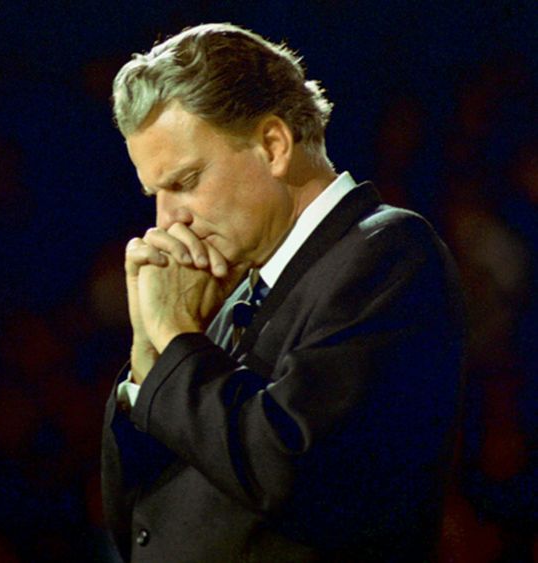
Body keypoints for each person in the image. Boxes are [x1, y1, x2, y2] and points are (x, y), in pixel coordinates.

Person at [101, 23, 465, 562]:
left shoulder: (388, 252)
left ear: (273, 145)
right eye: (155, 193)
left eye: (185, 181)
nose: (166, 221)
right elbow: (137, 520)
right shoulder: (231, 287)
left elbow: (291, 466)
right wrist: (147, 351)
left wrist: (175, 338)